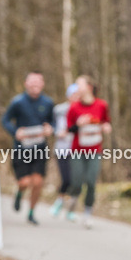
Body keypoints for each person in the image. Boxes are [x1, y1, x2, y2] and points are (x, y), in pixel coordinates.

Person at [1, 72, 54, 225]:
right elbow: (5, 120)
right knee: (25, 182)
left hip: (40, 148)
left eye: (38, 82)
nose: (35, 85)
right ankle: (19, 192)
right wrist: (15, 132)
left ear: (42, 84)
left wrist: (50, 129)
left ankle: (31, 212)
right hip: (21, 149)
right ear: (26, 83)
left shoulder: (48, 102)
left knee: (37, 182)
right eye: (32, 82)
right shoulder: (17, 102)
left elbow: (53, 122)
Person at [66, 75, 111, 228]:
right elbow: (69, 129)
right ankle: (73, 198)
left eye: (79, 85)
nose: (76, 87)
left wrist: (106, 127)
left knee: (91, 182)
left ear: (89, 87)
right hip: (78, 150)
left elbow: (106, 121)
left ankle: (87, 214)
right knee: (77, 182)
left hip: (95, 150)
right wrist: (78, 124)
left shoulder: (101, 105)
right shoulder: (74, 107)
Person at [50, 83, 79, 217]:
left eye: (78, 95)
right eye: (73, 94)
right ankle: (59, 201)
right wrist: (57, 132)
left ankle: (71, 210)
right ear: (68, 95)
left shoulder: (82, 110)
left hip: (77, 149)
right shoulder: (59, 109)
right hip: (62, 149)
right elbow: (52, 125)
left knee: (76, 181)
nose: (75, 97)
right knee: (66, 179)